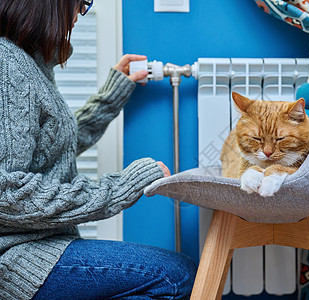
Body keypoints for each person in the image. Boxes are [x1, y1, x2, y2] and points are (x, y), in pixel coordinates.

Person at [0, 0, 197, 299]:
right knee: (175, 277)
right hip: (16, 255)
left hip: (39, 244)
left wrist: (112, 95)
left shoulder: (29, 63)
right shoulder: (7, 65)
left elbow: (55, 146)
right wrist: (122, 186)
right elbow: (7, 194)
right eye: (80, 3)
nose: (80, 13)